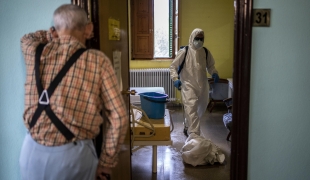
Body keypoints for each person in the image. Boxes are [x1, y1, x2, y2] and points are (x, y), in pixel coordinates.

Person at [19, 4, 128, 180]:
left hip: (31, 152)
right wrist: (106, 163)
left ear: (55, 28)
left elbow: (26, 38)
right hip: (72, 158)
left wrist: (51, 34)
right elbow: (119, 116)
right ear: (89, 28)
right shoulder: (97, 61)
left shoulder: (35, 51)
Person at [169, 28, 219, 137]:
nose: (199, 41)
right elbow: (173, 66)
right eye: (197, 38)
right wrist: (175, 79)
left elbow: (210, 66)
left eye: (202, 39)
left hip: (202, 86)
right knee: (190, 108)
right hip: (188, 85)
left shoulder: (205, 52)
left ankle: (188, 125)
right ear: (192, 38)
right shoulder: (184, 51)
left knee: (200, 108)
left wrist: (214, 73)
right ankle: (194, 135)